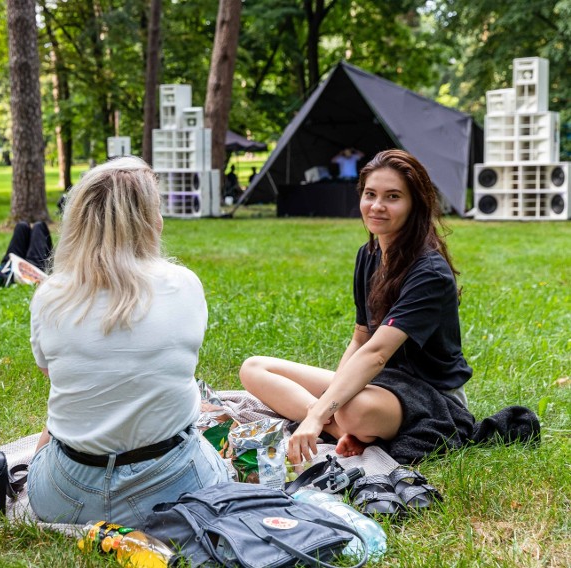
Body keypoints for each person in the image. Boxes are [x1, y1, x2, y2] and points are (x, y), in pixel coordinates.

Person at [240, 149, 489, 467]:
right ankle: (348, 428)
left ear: (415, 204)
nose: (377, 206)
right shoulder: (368, 254)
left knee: (349, 409)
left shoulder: (429, 272)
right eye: (370, 194)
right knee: (254, 368)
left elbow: (376, 353)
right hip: (382, 382)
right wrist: (334, 395)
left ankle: (346, 425)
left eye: (393, 196)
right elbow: (360, 339)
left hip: (431, 396)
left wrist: (319, 414)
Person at [27, 156, 231, 527]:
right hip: (173, 491)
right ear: (151, 220)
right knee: (214, 457)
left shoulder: (50, 294)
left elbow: (51, 373)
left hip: (63, 497)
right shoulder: (184, 284)